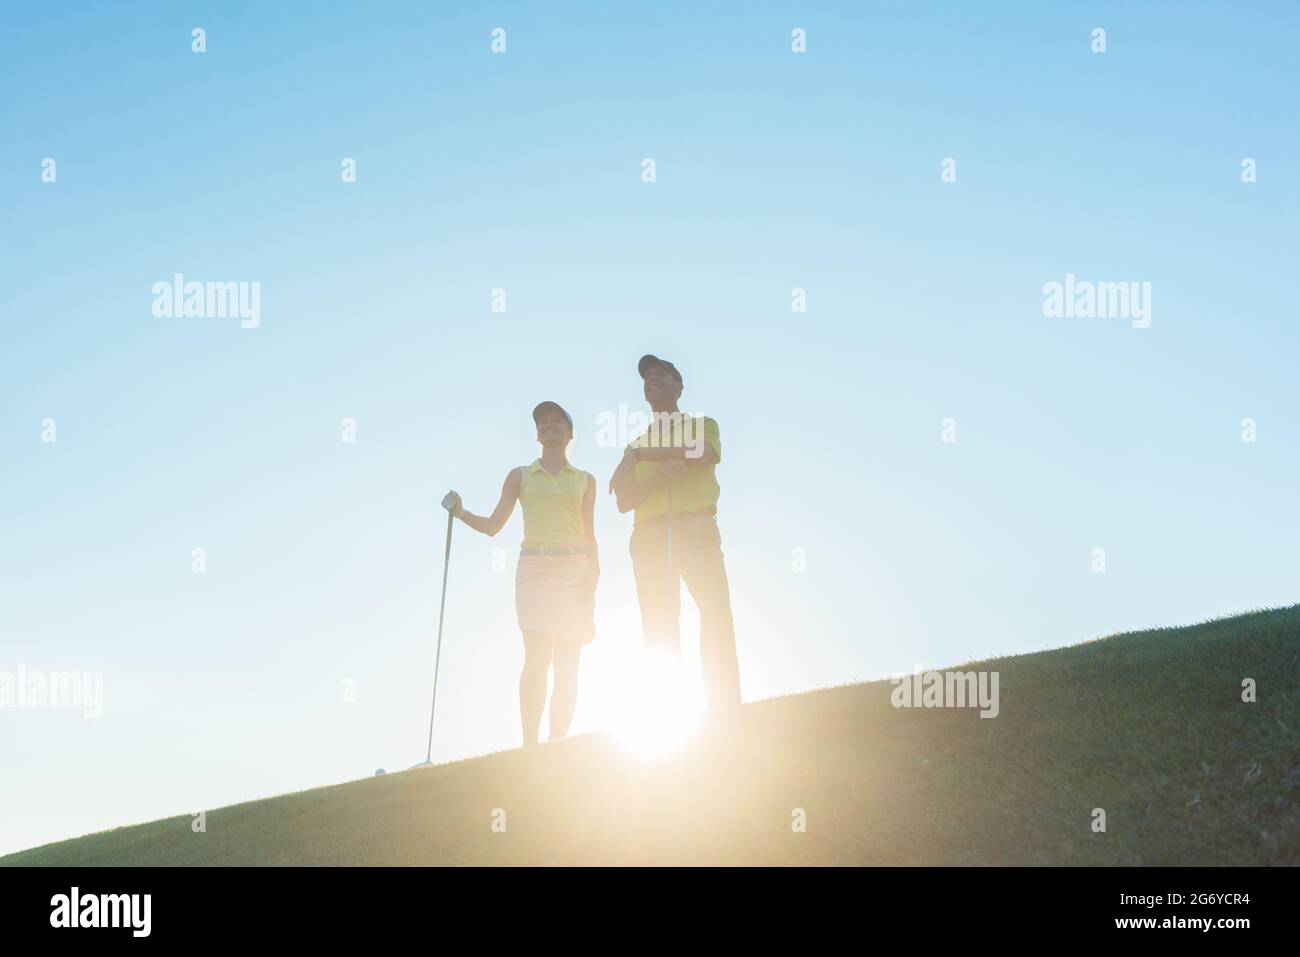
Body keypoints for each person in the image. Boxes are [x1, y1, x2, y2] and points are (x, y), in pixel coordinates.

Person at [441, 401, 598, 746]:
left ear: (570, 433)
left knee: (569, 661)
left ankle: (557, 742)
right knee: (537, 656)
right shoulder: (521, 476)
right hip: (535, 569)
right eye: (543, 421)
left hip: (575, 568)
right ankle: (530, 745)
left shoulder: (586, 481)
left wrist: (593, 578)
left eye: (557, 420)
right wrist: (463, 513)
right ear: (537, 433)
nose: (548, 424)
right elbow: (494, 525)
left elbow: (590, 534)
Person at [609, 355, 741, 710]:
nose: (652, 379)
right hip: (649, 536)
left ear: (679, 385)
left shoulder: (701, 424)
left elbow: (705, 451)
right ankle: (670, 711)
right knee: (659, 623)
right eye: (647, 377)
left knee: (715, 614)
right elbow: (623, 500)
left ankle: (725, 707)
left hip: (697, 526)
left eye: (661, 374)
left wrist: (641, 459)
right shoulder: (634, 446)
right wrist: (655, 472)